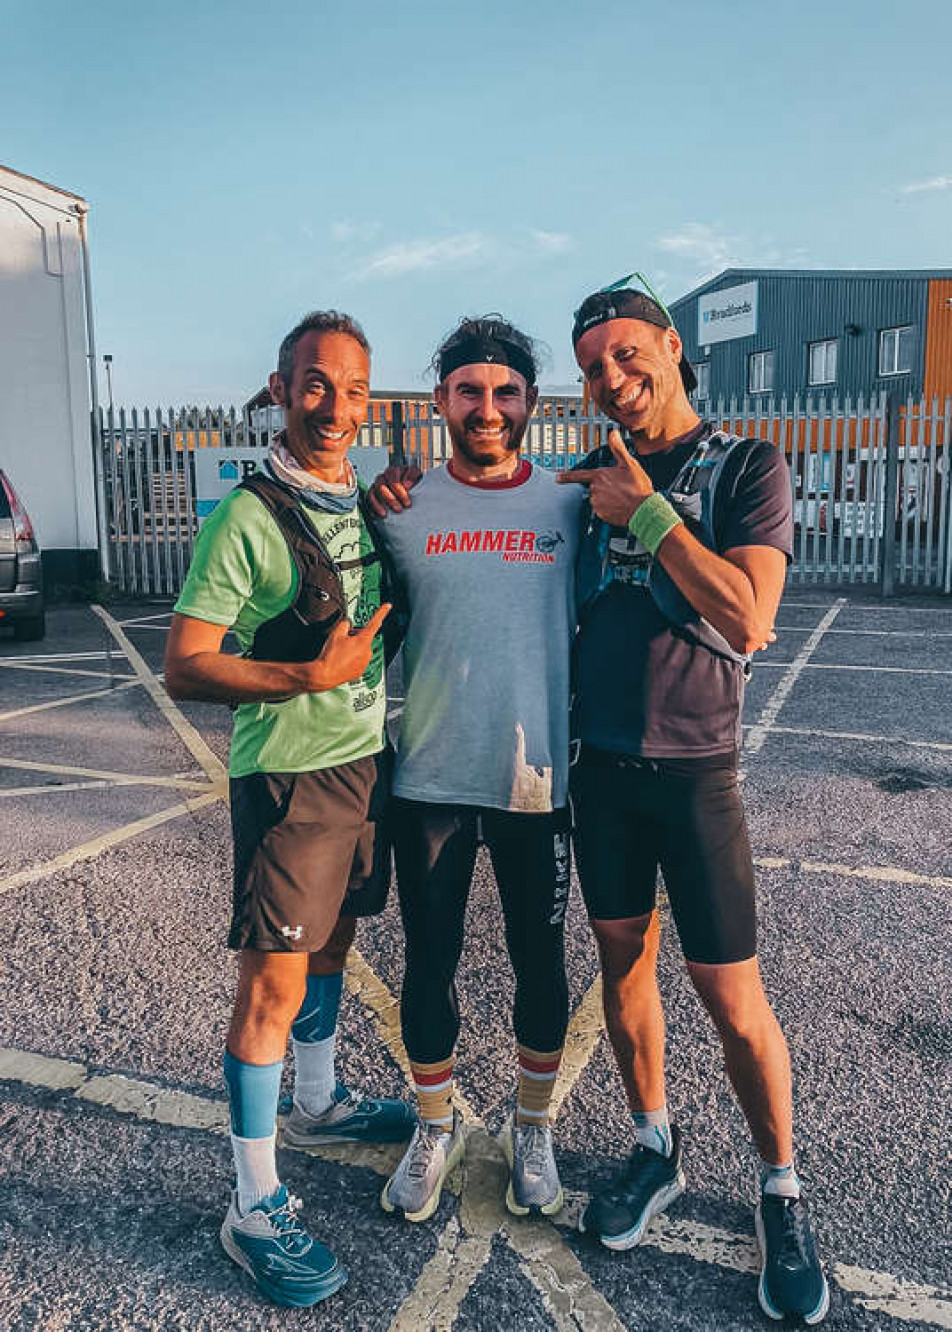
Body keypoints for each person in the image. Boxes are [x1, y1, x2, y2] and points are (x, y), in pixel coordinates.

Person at [557, 283, 829, 1325]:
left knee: (730, 999)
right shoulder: (583, 477)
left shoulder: (746, 467)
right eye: (592, 367)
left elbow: (751, 616)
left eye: (627, 355)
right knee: (621, 975)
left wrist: (650, 512)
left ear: (671, 349)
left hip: (696, 772)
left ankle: (780, 1189)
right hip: (602, 768)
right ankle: (652, 1145)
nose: (613, 380)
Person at [164, 310, 415, 1309]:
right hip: (289, 784)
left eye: (354, 389)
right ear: (278, 388)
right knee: (268, 989)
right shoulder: (246, 519)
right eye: (316, 384)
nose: (336, 407)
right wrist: (308, 673)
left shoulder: (353, 498)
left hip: (364, 768)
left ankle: (318, 1100)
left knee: (332, 951)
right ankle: (253, 1205)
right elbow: (185, 663)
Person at [367, 316, 583, 1223]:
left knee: (541, 962)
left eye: (504, 392)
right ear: (440, 401)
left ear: (531, 402)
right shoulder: (403, 510)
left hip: (536, 780)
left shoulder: (571, 504)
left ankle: (532, 1127)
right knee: (430, 963)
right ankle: (433, 1123)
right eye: (468, 391)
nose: (487, 408)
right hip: (432, 777)